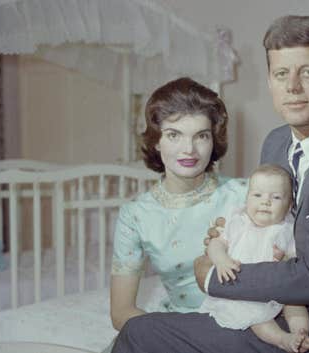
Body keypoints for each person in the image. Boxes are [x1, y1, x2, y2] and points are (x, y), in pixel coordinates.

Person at [112, 15, 309, 353]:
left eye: (307, 72)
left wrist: (209, 276)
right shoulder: (276, 143)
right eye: (281, 74)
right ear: (270, 83)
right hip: (267, 311)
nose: (292, 87)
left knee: (140, 336)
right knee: (142, 329)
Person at [105, 77, 247, 350]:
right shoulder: (135, 215)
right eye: (174, 135)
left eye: (201, 136)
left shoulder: (246, 195)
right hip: (175, 333)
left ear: (213, 140)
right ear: (156, 141)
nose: (189, 149)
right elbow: (121, 313)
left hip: (241, 330)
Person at [199, 164, 309, 353]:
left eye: (275, 197)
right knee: (258, 318)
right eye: (257, 195)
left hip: (279, 286)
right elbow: (216, 244)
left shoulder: (287, 229)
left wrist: (285, 259)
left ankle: (301, 334)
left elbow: (296, 260)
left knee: (296, 303)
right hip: (246, 291)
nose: (265, 202)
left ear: (289, 205)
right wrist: (221, 260)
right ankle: (283, 339)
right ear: (247, 198)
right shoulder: (238, 222)